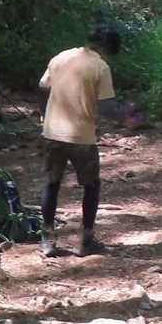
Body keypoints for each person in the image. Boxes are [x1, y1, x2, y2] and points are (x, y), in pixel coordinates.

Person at [38, 25, 120, 258]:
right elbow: (107, 107)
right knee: (91, 186)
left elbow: (42, 87)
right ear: (106, 48)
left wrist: (44, 115)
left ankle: (47, 240)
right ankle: (86, 240)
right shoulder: (100, 67)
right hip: (81, 136)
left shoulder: (61, 57)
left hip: (52, 133)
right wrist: (128, 116)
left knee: (51, 184)